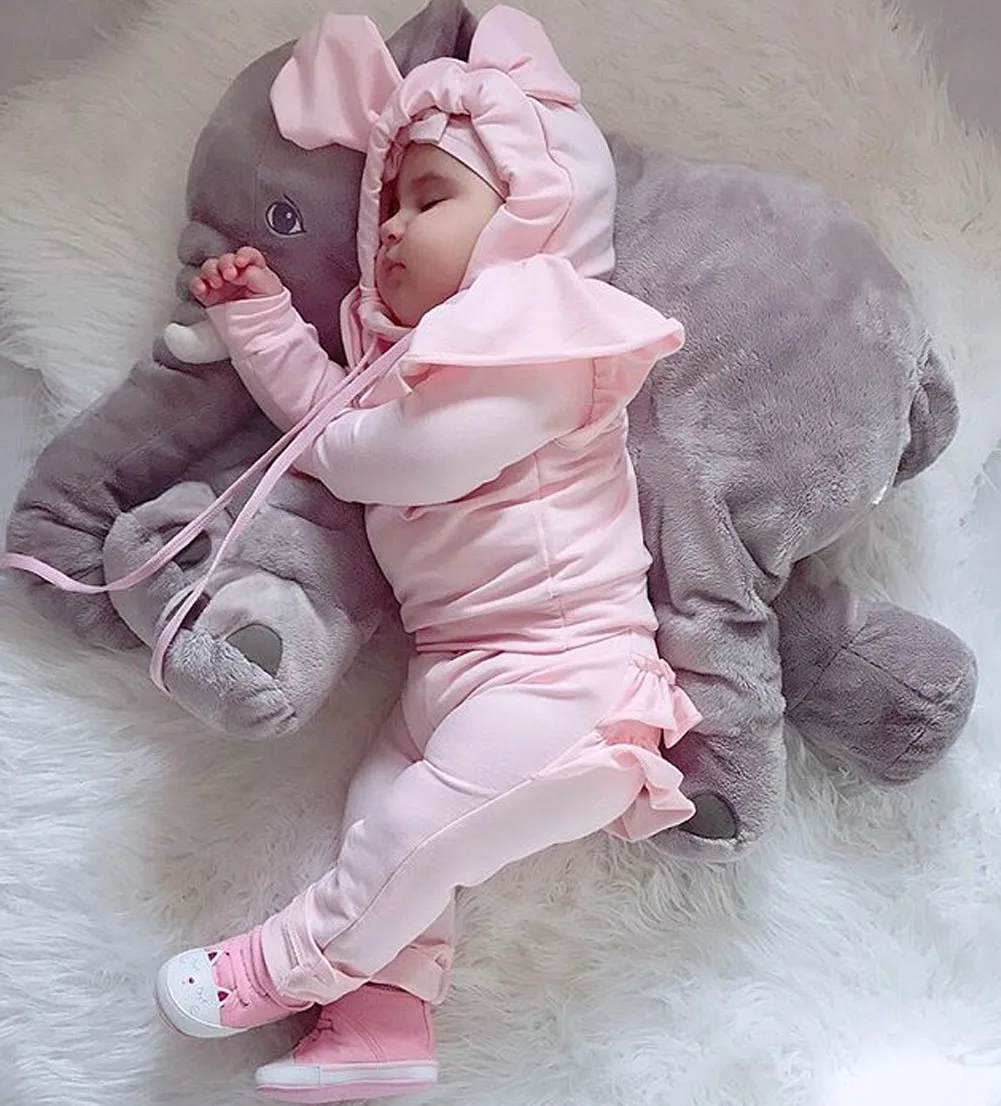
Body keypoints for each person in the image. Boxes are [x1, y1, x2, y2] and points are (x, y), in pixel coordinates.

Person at [155, 6, 701, 1101]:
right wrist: (265, 324)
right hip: (453, 669)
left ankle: (286, 961)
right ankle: (378, 1022)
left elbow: (389, 458)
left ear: (528, 212)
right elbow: (335, 425)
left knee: (412, 832)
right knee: (381, 808)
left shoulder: (546, 337)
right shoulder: (409, 361)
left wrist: (339, 424)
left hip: (563, 677)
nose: (394, 228)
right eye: (388, 206)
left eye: (430, 199)